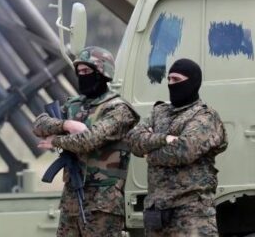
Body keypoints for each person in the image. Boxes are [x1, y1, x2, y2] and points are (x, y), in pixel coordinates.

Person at [34, 46, 139, 237]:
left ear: (102, 73)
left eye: (87, 71)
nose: (82, 76)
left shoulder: (119, 110)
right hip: (71, 201)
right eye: (79, 72)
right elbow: (39, 124)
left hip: (103, 203)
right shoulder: (73, 105)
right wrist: (67, 124)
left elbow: (89, 140)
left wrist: (57, 141)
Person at [127, 58, 227, 236]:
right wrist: (165, 138)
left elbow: (184, 150)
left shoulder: (205, 116)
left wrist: (150, 155)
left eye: (177, 80)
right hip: (157, 212)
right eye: (169, 79)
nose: (171, 84)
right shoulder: (159, 112)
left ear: (193, 82)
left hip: (191, 213)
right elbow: (133, 141)